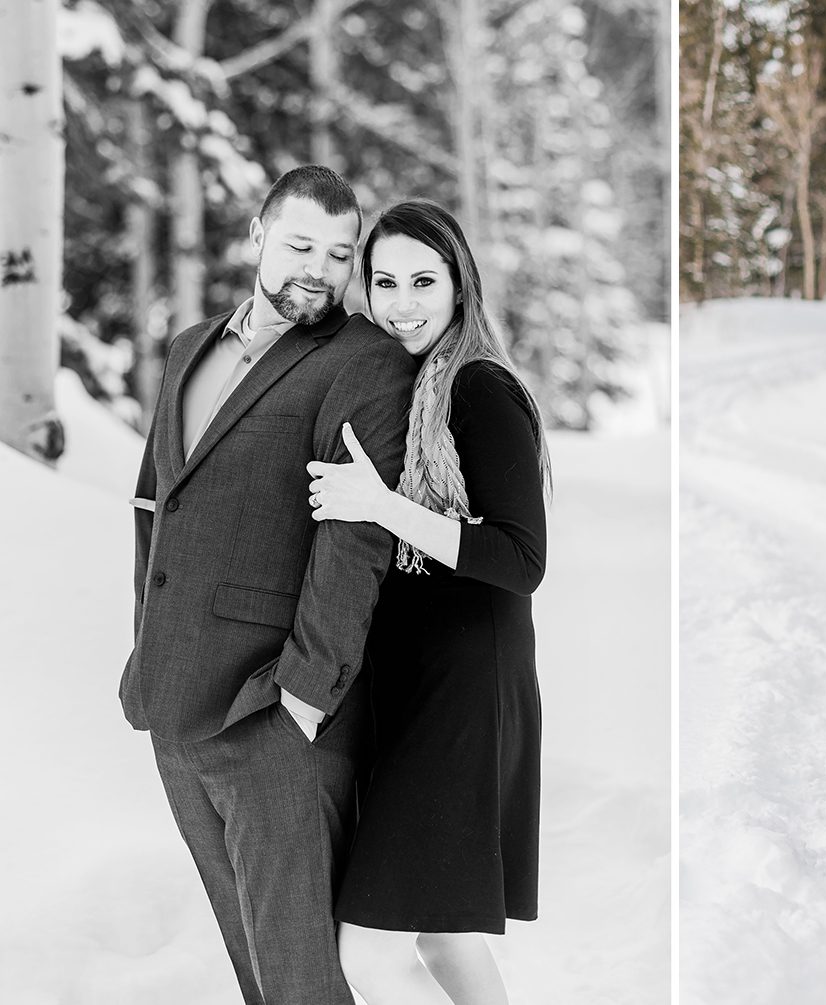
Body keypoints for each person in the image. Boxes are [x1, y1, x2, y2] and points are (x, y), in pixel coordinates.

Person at [120, 165, 418, 1005]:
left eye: (338, 252)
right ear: (258, 235)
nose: (318, 269)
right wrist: (144, 651)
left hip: (274, 720)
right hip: (174, 709)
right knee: (256, 973)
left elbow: (354, 538)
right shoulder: (190, 349)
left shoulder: (364, 361)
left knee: (304, 979)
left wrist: (302, 700)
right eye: (299, 245)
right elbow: (155, 508)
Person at [304, 199, 548, 1004]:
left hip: (464, 695)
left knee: (368, 955)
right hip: (417, 692)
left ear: (458, 284)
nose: (403, 302)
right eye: (385, 283)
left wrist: (382, 505)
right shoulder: (408, 385)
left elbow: (520, 558)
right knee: (444, 931)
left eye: (423, 280)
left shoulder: (479, 386)